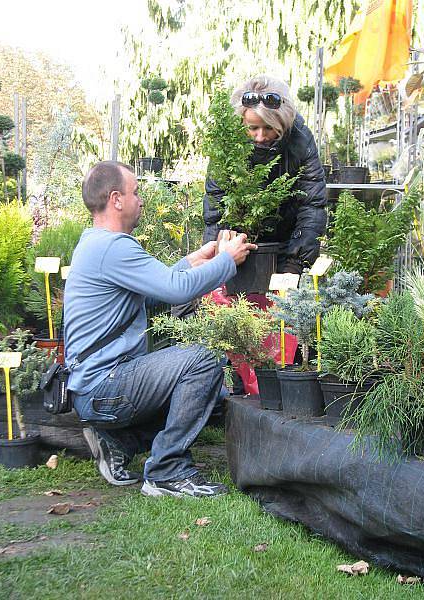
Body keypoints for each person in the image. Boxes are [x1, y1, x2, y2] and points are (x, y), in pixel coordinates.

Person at [64, 161, 255, 497]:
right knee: (204, 361)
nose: (140, 200)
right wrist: (226, 261)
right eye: (135, 192)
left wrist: (198, 258)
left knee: (213, 395)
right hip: (105, 387)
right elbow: (176, 290)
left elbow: (152, 294)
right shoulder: (113, 246)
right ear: (116, 199)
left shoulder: (96, 243)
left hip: (96, 387)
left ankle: (119, 442)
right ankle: (166, 472)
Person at [203, 74, 327, 275]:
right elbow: (217, 204)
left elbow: (312, 205)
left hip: (287, 242)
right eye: (252, 128)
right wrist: (215, 258)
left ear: (282, 122)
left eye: (268, 128)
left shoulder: (300, 140)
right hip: (240, 247)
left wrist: (296, 262)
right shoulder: (227, 146)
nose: (260, 137)